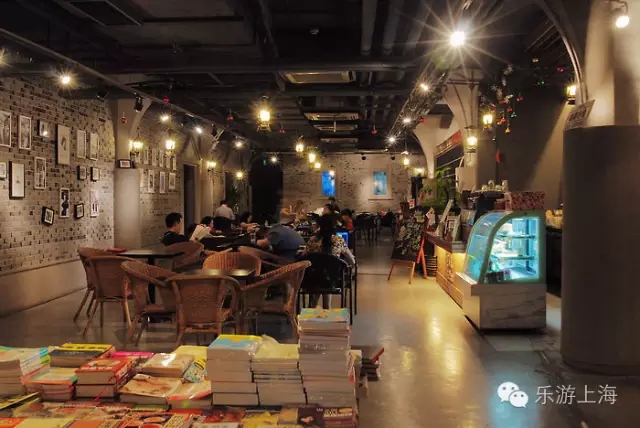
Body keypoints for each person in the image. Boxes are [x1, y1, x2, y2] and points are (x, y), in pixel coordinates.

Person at [302, 214, 356, 309]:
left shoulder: (312, 240)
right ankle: (326, 309)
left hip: (312, 280)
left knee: (319, 274)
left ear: (319, 225)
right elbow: (352, 261)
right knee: (328, 274)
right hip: (334, 281)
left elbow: (304, 257)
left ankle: (311, 308)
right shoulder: (338, 240)